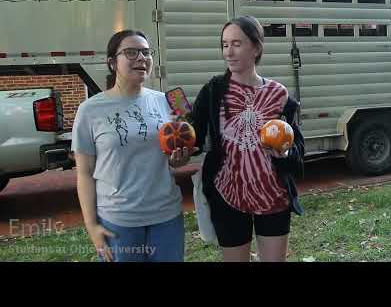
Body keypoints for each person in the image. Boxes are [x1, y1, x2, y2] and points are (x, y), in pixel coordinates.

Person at [72, 30, 194, 262]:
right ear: (112, 62)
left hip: (166, 215)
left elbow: (184, 148)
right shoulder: (89, 110)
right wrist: (91, 226)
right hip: (118, 221)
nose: (141, 58)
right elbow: (85, 174)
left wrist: (180, 159)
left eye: (146, 52)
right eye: (131, 52)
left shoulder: (169, 100)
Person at [190, 15, 304, 262]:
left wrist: (284, 156)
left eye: (237, 44)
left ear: (256, 47)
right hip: (227, 194)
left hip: (273, 194)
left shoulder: (278, 94)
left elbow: (297, 150)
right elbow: (194, 136)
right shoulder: (214, 90)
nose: (228, 52)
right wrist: (181, 142)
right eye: (224, 44)